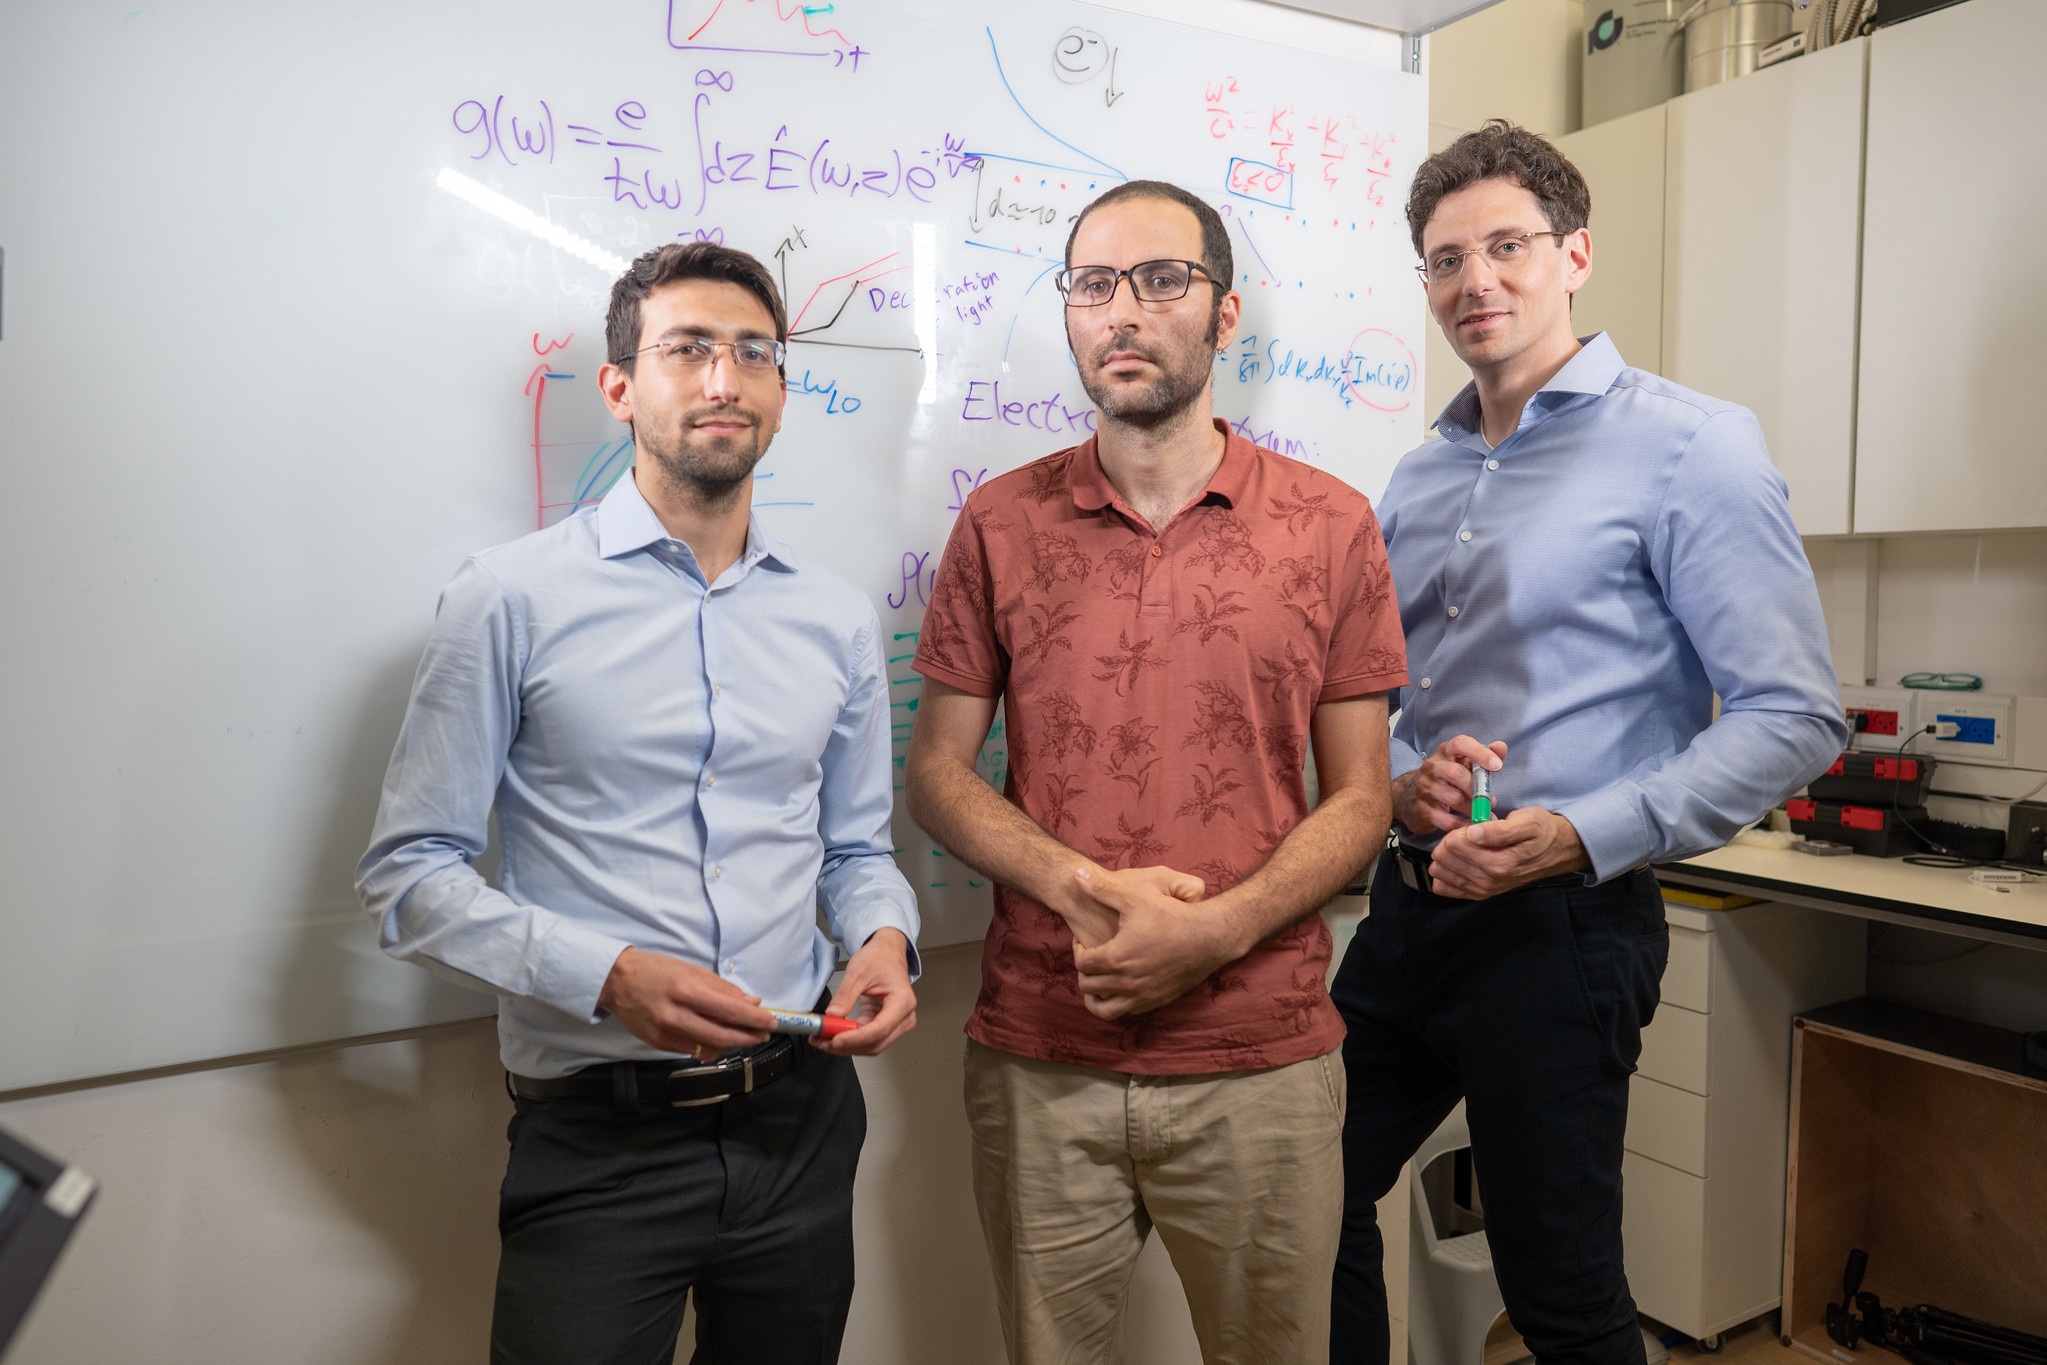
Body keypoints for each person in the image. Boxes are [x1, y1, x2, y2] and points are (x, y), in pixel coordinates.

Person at [1328, 122, 1848, 1365]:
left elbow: (1795, 714)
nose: (1475, 283)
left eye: (1505, 247)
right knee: (1307, 1192)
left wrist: (1575, 837)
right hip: (1410, 917)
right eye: (1445, 260)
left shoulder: (1688, 445)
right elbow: (1383, 696)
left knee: (1557, 1290)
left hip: (1560, 931)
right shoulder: (1418, 475)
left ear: (1574, 255)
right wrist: (1400, 787)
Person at [356, 241, 921, 1365]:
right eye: (688, 351)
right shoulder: (508, 599)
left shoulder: (835, 618)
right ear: (621, 388)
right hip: (600, 1139)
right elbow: (407, 880)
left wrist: (886, 937)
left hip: (802, 1121)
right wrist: (605, 975)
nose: (724, 381)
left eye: (753, 354)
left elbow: (854, 847)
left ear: (780, 389)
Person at [906, 180, 1408, 1365]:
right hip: (1042, 1055)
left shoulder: (1330, 526)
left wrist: (1217, 930)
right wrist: (1089, 894)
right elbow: (937, 772)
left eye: (1160, 281)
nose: (1121, 312)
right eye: (1093, 285)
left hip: (1264, 1060)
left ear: (1224, 315)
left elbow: (1362, 797)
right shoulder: (999, 522)